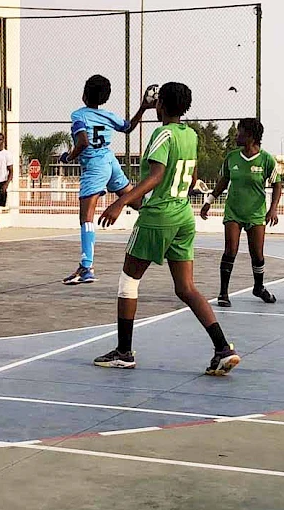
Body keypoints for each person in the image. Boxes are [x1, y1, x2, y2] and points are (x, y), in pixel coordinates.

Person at [93, 82, 240, 376]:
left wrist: (121, 202)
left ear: (161, 105)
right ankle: (223, 348)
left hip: (158, 217)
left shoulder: (163, 133)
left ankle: (124, 352)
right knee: (186, 288)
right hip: (183, 215)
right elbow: (193, 174)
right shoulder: (191, 134)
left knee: (128, 281)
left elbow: (157, 176)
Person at [60, 75, 154, 285]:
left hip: (94, 166)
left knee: (86, 218)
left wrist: (68, 157)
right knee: (137, 202)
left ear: (84, 93)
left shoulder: (79, 115)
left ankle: (86, 267)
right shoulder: (107, 115)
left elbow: (83, 142)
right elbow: (128, 127)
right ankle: (162, 220)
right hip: (110, 162)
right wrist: (143, 107)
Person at [200, 118, 282, 307]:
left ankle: (259, 287)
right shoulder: (232, 157)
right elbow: (223, 181)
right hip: (233, 212)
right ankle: (223, 293)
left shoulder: (266, 159)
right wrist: (209, 201)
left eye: (240, 132)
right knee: (230, 250)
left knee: (257, 255)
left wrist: (273, 208)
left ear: (251, 136)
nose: (237, 135)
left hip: (255, 213)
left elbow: (277, 184)